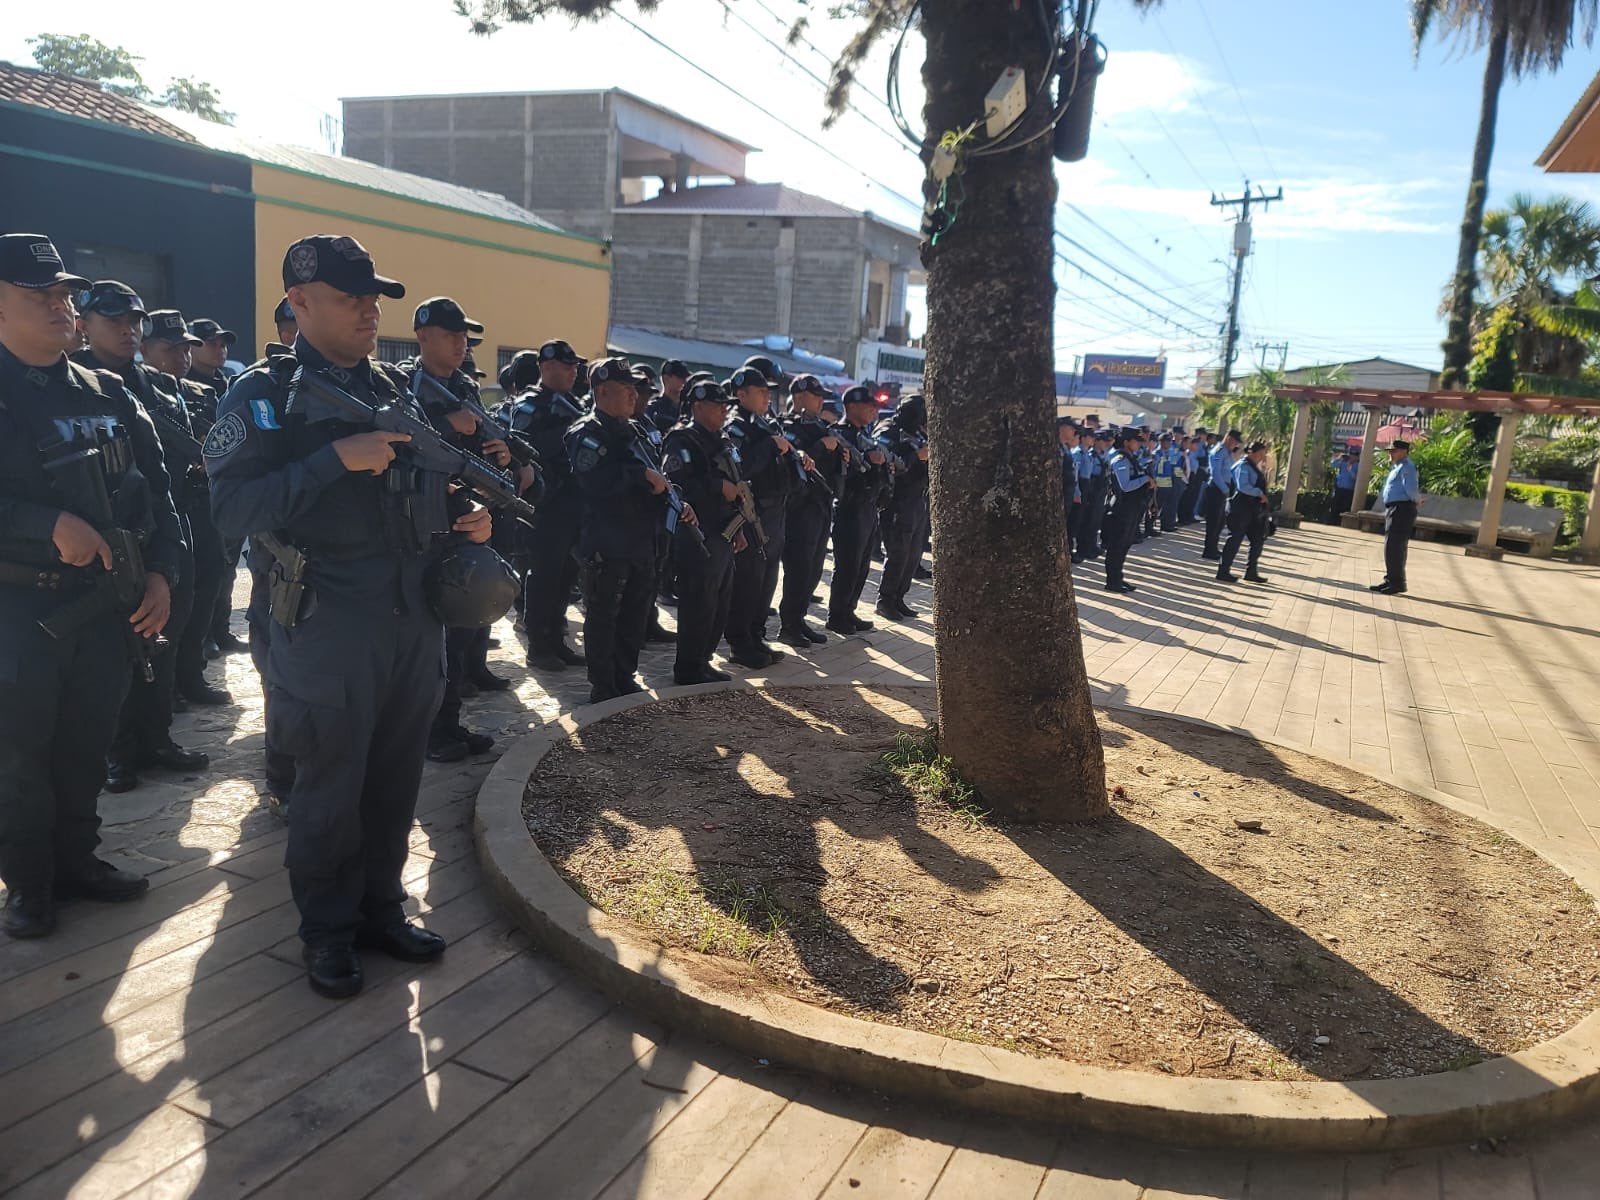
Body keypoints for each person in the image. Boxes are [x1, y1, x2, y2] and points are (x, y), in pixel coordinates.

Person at [208, 233, 494, 998]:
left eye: (374, 295)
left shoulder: (398, 390)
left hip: (411, 618)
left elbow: (416, 490)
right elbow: (228, 509)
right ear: (299, 303)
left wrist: (465, 514)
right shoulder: (262, 400)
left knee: (396, 779)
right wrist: (331, 461)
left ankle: (380, 909)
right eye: (349, 296)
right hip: (324, 623)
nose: (370, 308)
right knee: (329, 787)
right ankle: (328, 931)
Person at [0, 234, 183, 937]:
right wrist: (43, 520)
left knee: (84, 744)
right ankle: (29, 881)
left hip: (104, 606)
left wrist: (165, 573)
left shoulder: (108, 392)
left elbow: (159, 499)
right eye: (38, 294)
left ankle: (77, 860)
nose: (59, 304)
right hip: (18, 608)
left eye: (63, 293)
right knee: (20, 753)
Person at [72, 283, 213, 792]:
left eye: (134, 320)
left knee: (167, 631)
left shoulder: (158, 385)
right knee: (116, 646)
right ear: (83, 324)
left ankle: (156, 737)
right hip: (108, 534)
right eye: (116, 321)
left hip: (170, 522)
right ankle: (118, 749)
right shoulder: (75, 383)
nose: (129, 329)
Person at [398, 296, 512, 763]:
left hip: (468, 519)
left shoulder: (464, 385)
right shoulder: (404, 384)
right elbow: (402, 442)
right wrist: (448, 423)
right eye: (450, 335)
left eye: (463, 336)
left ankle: (448, 724)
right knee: (430, 638)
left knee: (462, 628)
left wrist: (502, 455)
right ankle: (426, 732)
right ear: (423, 337)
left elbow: (476, 451)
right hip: (422, 524)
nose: (460, 343)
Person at [565, 357, 689, 702]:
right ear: (602, 392)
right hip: (607, 538)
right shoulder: (586, 433)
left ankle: (624, 674)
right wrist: (640, 478)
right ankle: (603, 683)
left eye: (635, 389)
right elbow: (593, 482)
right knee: (604, 614)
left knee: (636, 613)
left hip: (640, 538)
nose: (634, 396)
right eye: (625, 390)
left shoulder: (634, 429)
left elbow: (655, 474)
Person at [140, 309, 233, 710]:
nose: (181, 356)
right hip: (159, 511)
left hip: (198, 506)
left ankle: (189, 676)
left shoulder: (195, 392)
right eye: (170, 348)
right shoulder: (134, 391)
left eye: (185, 348)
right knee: (167, 604)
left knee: (202, 591)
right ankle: (162, 689)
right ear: (145, 348)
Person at [511, 340, 588, 671]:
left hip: (575, 503)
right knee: (544, 575)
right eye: (565, 366)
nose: (573, 372)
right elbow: (522, 446)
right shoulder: (531, 405)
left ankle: (557, 638)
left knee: (565, 576)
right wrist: (562, 430)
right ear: (545, 367)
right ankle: (539, 645)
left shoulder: (575, 405)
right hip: (547, 504)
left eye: (574, 367)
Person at [663, 378, 742, 684]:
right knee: (699, 601)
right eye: (718, 406)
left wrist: (739, 527)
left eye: (726, 406)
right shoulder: (683, 440)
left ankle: (703, 659)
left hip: (723, 530)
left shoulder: (721, 440)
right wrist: (717, 486)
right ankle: (688, 666)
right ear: (698, 407)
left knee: (719, 602)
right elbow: (676, 484)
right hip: (697, 532)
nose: (724, 411)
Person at [723, 360, 800, 668]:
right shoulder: (736, 426)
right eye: (759, 391)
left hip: (775, 510)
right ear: (742, 394)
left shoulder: (765, 424)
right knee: (748, 581)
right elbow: (741, 467)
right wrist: (769, 446)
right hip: (753, 512)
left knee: (767, 579)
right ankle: (740, 643)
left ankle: (756, 636)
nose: (767, 397)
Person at [779, 375, 844, 645]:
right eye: (815, 396)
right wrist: (820, 447)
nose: (820, 400)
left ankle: (799, 619)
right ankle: (789, 625)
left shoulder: (822, 426)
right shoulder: (787, 427)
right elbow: (796, 460)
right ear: (800, 397)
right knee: (799, 567)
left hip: (822, 505)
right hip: (800, 507)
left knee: (814, 567)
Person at [827, 387, 892, 633]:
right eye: (869, 405)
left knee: (862, 565)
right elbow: (842, 474)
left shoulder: (864, 434)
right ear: (852, 406)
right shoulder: (840, 435)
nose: (874, 410)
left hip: (868, 506)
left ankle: (849, 610)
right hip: (850, 507)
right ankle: (837, 615)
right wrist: (867, 459)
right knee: (848, 565)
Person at [874, 394, 929, 621]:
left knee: (914, 554)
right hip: (897, 501)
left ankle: (898, 598)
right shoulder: (888, 431)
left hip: (917, 500)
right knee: (898, 553)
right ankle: (885, 599)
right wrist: (916, 456)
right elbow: (888, 461)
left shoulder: (918, 433)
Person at [1101, 428, 1152, 593]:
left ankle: (1118, 577)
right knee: (1116, 546)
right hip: (1120, 509)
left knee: (1124, 545)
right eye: (1136, 441)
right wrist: (1146, 479)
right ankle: (1112, 581)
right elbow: (1125, 486)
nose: (1139, 444)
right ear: (1126, 442)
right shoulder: (1120, 460)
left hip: (1131, 509)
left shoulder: (1131, 458)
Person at [1217, 441, 1272, 584]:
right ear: (1252, 452)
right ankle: (1223, 571)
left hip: (1253, 511)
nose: (1262, 457)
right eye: (1260, 454)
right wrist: (1259, 493)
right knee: (1234, 539)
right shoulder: (1243, 466)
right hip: (1240, 510)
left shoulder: (1254, 467)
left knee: (1258, 540)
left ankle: (1251, 572)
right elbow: (1243, 486)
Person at [1370, 440, 1420, 596]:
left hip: (1402, 508)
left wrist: (1417, 500)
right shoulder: (1398, 467)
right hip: (1395, 508)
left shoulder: (1407, 468)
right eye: (1390, 451)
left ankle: (1397, 582)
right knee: (1391, 546)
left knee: (1395, 546)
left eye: (1394, 451)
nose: (1390, 454)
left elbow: (1411, 489)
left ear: (1404, 451)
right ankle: (1391, 580)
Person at [1201, 430, 1242, 560]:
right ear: (1228, 439)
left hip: (1225, 489)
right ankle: (1209, 550)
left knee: (1220, 522)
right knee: (1213, 521)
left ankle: (1214, 548)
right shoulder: (1218, 451)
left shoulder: (1228, 453)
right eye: (1234, 442)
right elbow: (1216, 473)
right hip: (1216, 489)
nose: (1235, 445)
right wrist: (1225, 490)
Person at [1058, 418, 1080, 556]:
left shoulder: (1065, 448)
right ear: (1062, 428)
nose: (1074, 431)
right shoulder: (1054, 448)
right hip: (1059, 496)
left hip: (1067, 495)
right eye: (1071, 428)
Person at [1153, 430, 1182, 532]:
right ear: (1161, 442)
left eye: (1169, 442)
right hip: (1158, 484)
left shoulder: (1171, 453)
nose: (1168, 444)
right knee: (1156, 506)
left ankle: (1166, 525)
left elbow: (1175, 467)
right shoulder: (1156, 454)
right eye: (1166, 442)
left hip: (1169, 483)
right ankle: (1150, 527)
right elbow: (1154, 470)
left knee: (1169, 506)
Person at [1331, 449, 1358, 522]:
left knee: (1345, 507)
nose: (1352, 457)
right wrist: (1339, 458)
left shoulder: (1357, 465)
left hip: (1349, 490)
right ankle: (1333, 521)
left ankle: (1341, 522)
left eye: (1354, 455)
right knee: (1335, 505)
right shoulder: (1344, 463)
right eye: (1351, 455)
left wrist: (1350, 470)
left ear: (1356, 457)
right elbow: (1332, 465)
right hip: (1339, 488)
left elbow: (1355, 478)